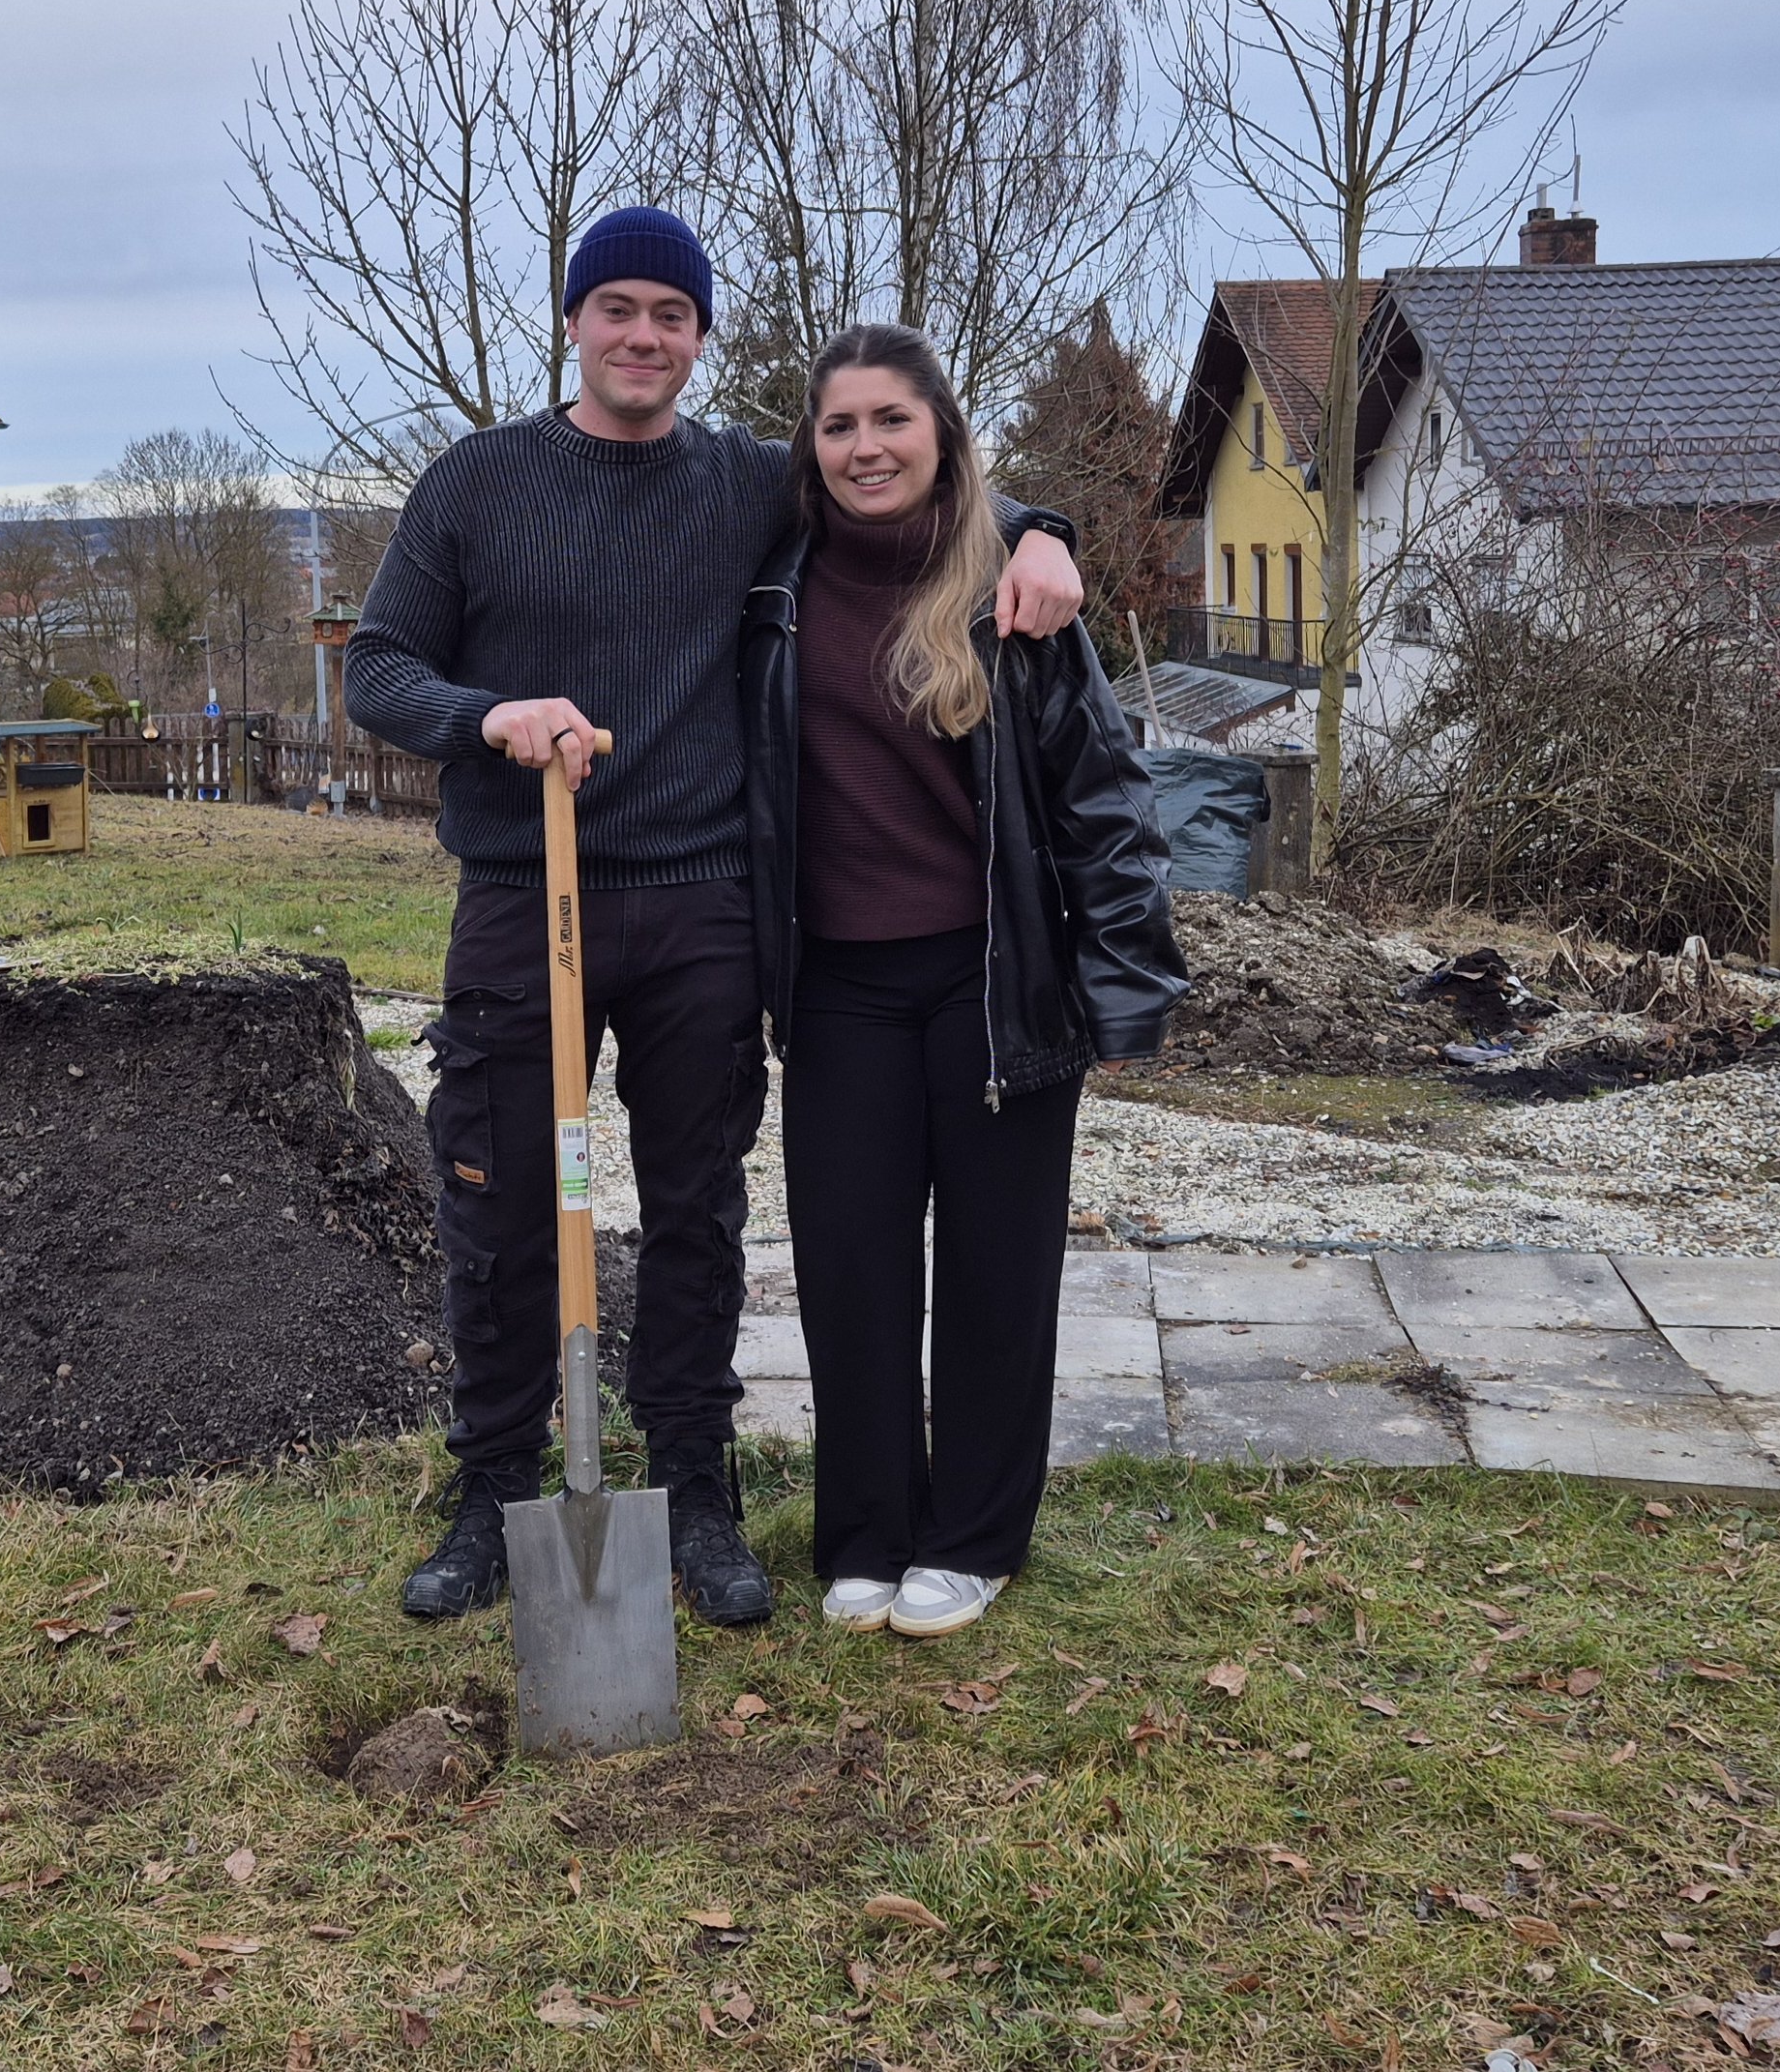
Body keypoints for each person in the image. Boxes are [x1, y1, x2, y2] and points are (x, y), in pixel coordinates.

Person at [344, 208, 1088, 1627]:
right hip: (520, 901)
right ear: (574, 321)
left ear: (699, 337)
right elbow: (378, 664)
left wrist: (1040, 532)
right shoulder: (476, 482)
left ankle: (694, 1484)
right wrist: (483, 712)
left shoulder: (753, 482)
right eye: (615, 308)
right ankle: (496, 1487)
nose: (642, 336)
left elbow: (913, 494)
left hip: (698, 908)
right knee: (500, 1208)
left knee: (694, 1211)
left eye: (669, 315)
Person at [741, 322, 1185, 1641]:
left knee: (996, 1281)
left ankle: (974, 1538)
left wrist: (1122, 988)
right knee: (851, 1275)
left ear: (939, 432)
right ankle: (866, 1533)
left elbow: (1106, 802)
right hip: (835, 995)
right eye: (839, 426)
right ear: (808, 450)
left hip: (994, 988)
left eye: (891, 419)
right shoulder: (771, 585)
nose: (866, 446)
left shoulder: (1010, 594)